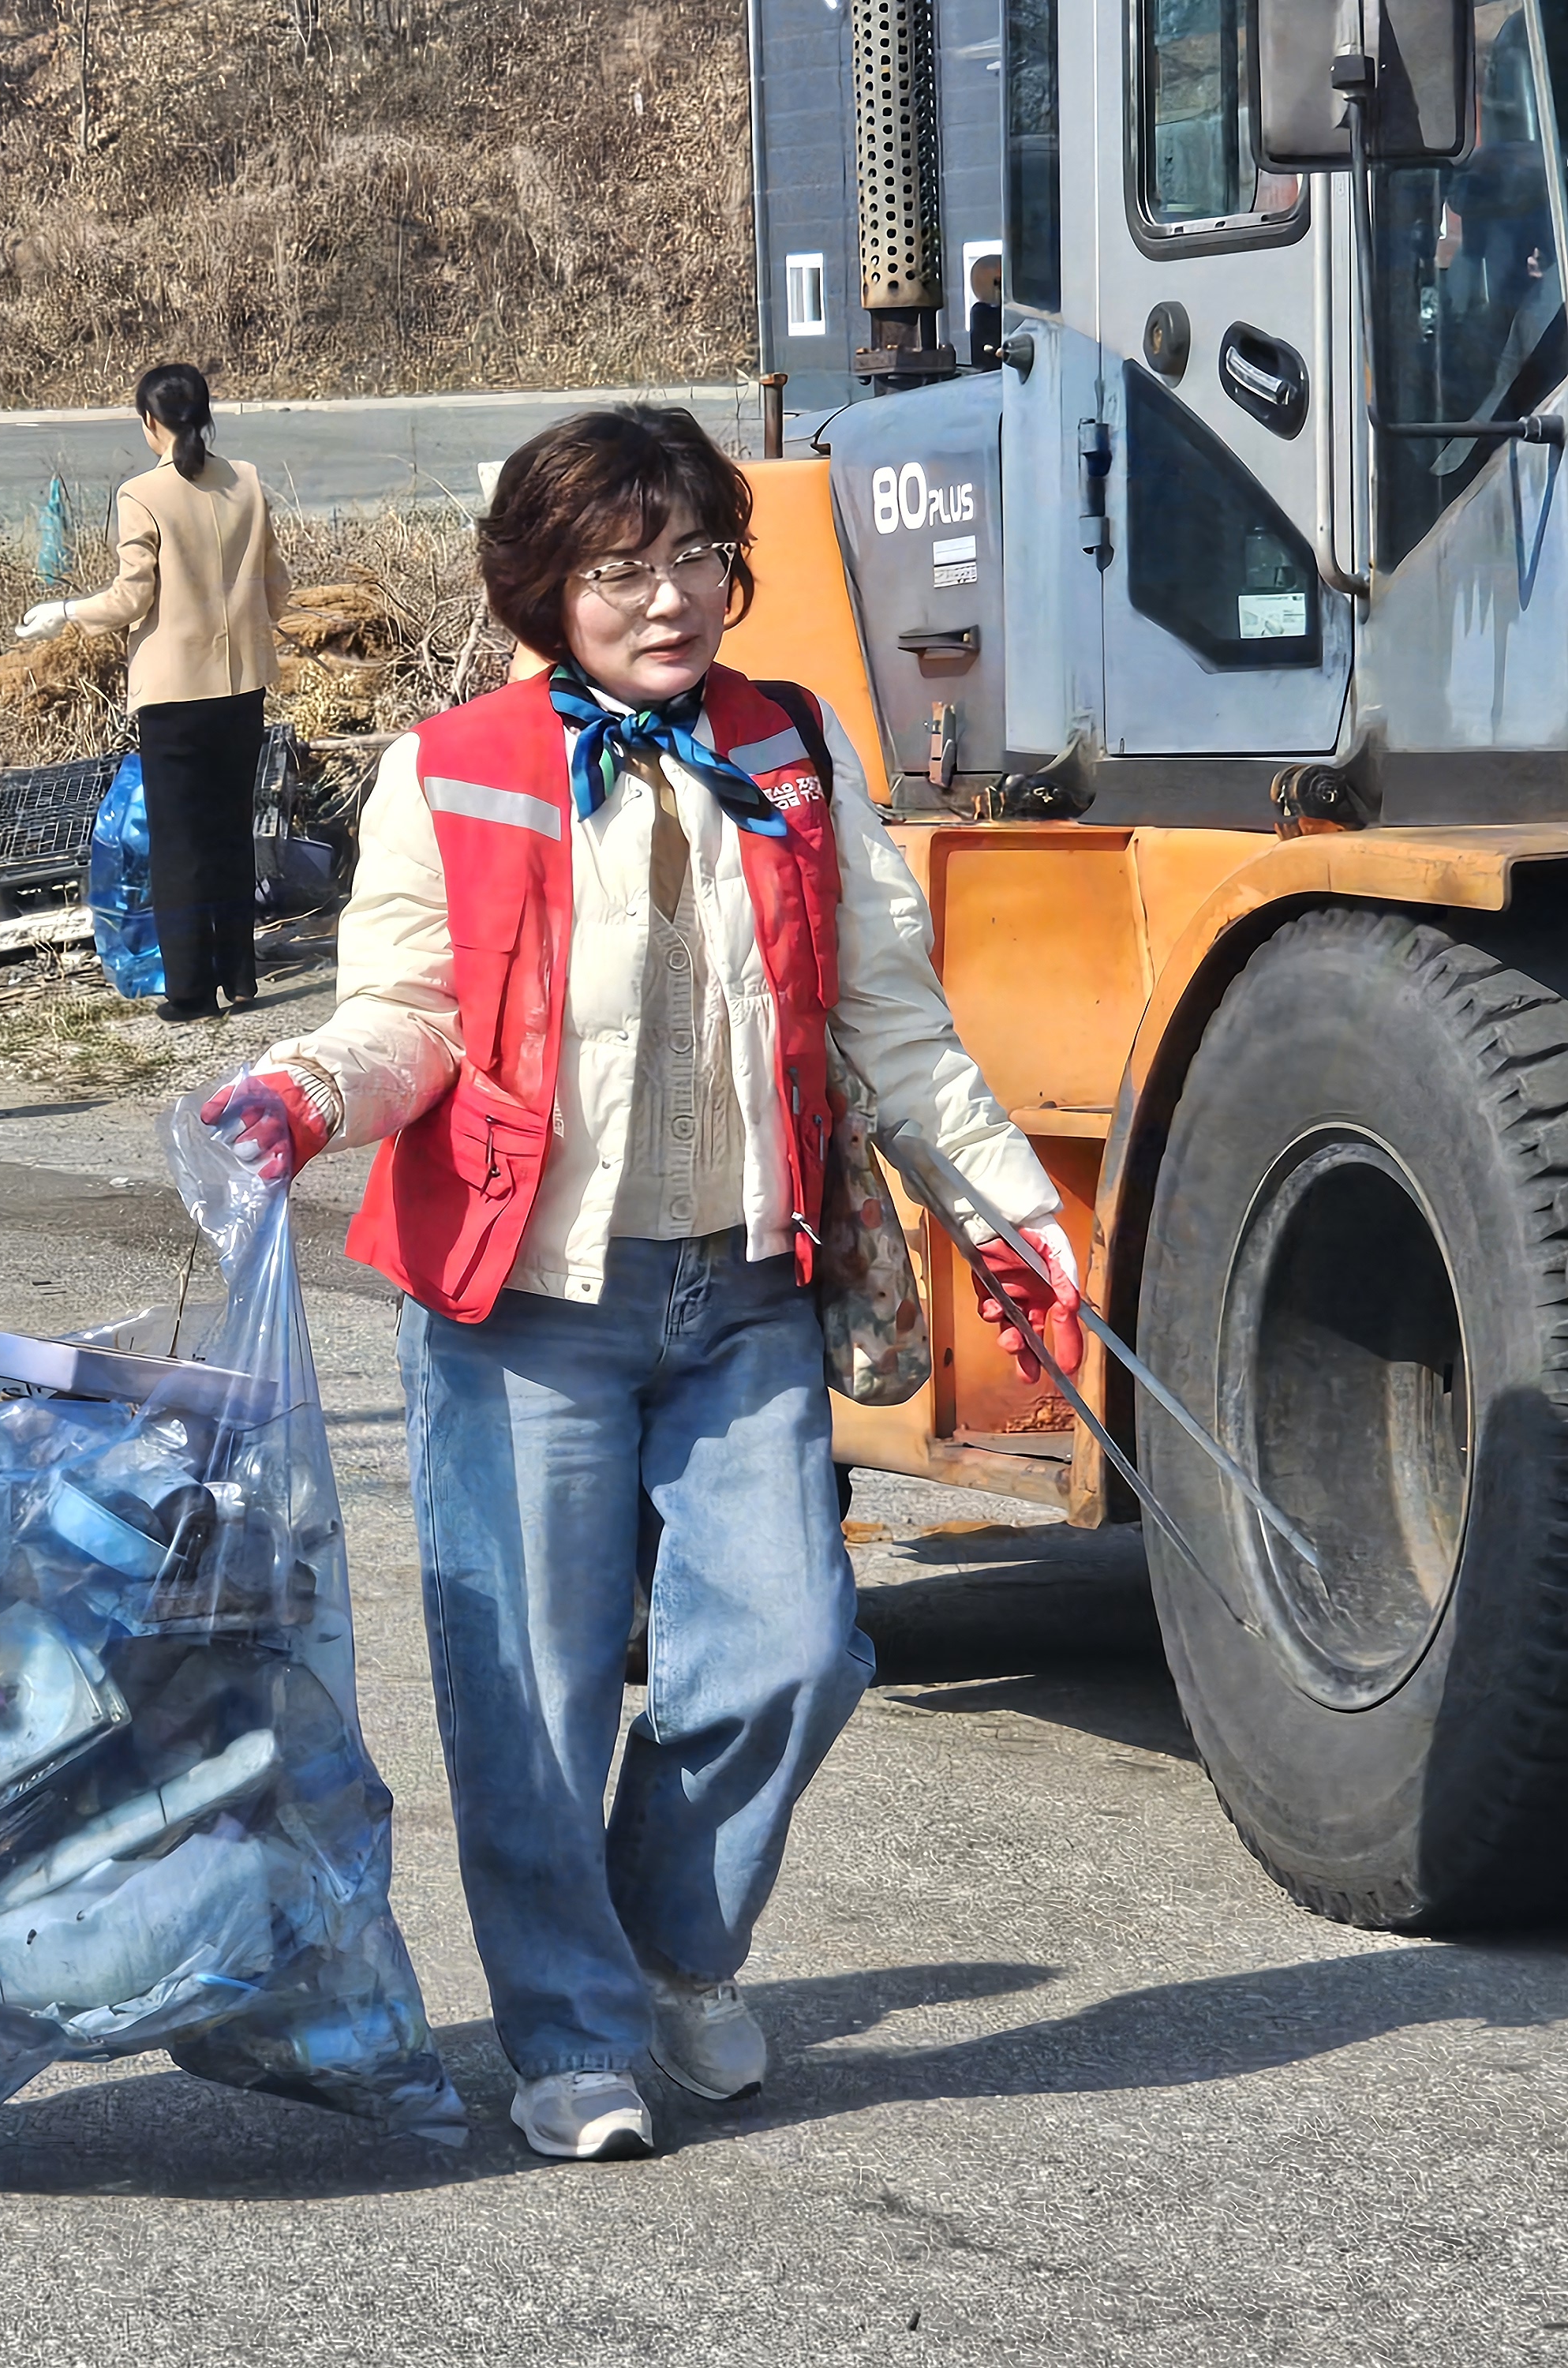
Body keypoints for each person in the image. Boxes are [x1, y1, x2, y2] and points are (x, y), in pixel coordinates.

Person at [199, 406, 1081, 2163]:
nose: (667, 599)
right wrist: (305, 1094)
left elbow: (890, 1026)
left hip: (740, 1295)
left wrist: (1011, 1219)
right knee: (526, 1692)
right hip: (523, 1307)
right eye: (618, 569)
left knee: (794, 1650)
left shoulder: (796, 748)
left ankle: (671, 1941)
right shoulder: (449, 767)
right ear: (545, 589)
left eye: (694, 558)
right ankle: (572, 2035)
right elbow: (408, 1016)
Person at [17, 363, 290, 1021]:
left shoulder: (142, 493)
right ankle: (240, 976)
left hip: (175, 693)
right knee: (230, 831)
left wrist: (65, 611)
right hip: (243, 686)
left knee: (179, 843)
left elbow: (131, 597)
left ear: (149, 422)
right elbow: (277, 587)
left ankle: (190, 990)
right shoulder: (247, 480)